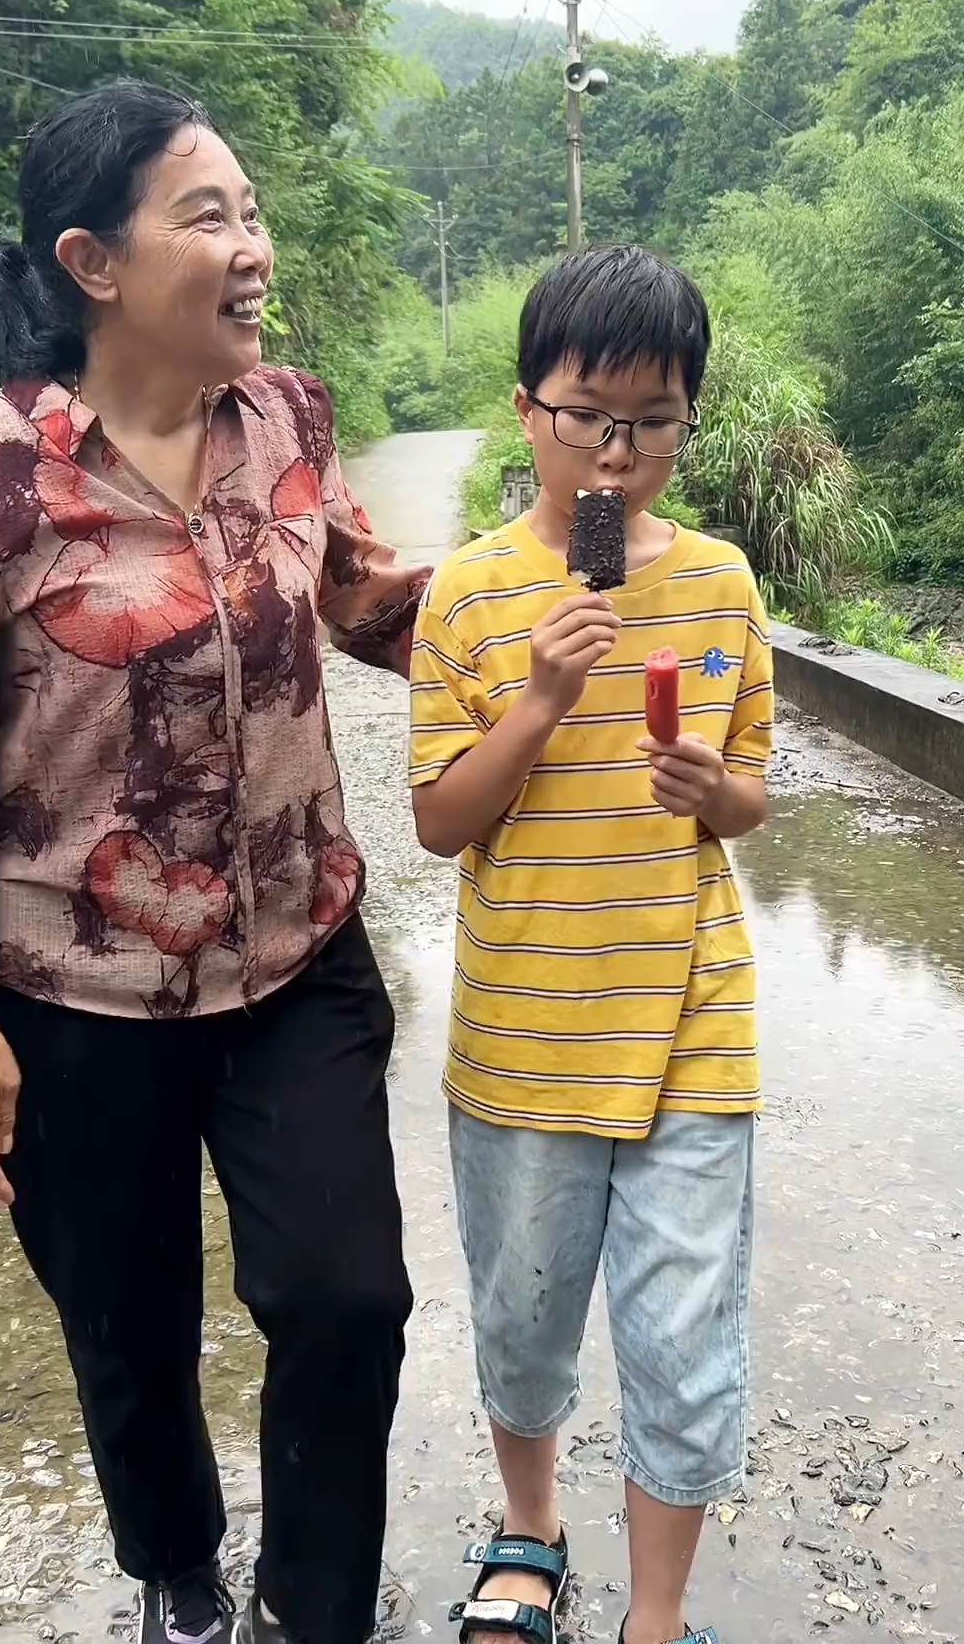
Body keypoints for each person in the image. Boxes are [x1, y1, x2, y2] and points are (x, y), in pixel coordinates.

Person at [0, 79, 427, 1644]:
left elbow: (368, 604)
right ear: (92, 262)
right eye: (211, 216)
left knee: (345, 1298)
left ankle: (312, 1607)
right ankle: (176, 1567)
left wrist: (548, 589)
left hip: (297, 952)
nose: (253, 245)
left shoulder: (292, 420)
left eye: (252, 213)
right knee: (127, 1325)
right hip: (69, 992)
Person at [408, 245, 773, 1644]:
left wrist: (710, 790)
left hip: (692, 1024)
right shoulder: (475, 594)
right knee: (526, 1310)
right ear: (528, 411)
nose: (617, 458)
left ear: (688, 418)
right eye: (588, 418)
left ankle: (658, 1616)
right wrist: (543, 700)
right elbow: (444, 821)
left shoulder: (725, 587)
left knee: (684, 1340)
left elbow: (750, 793)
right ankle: (532, 1528)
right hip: (526, 1031)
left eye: (653, 422)